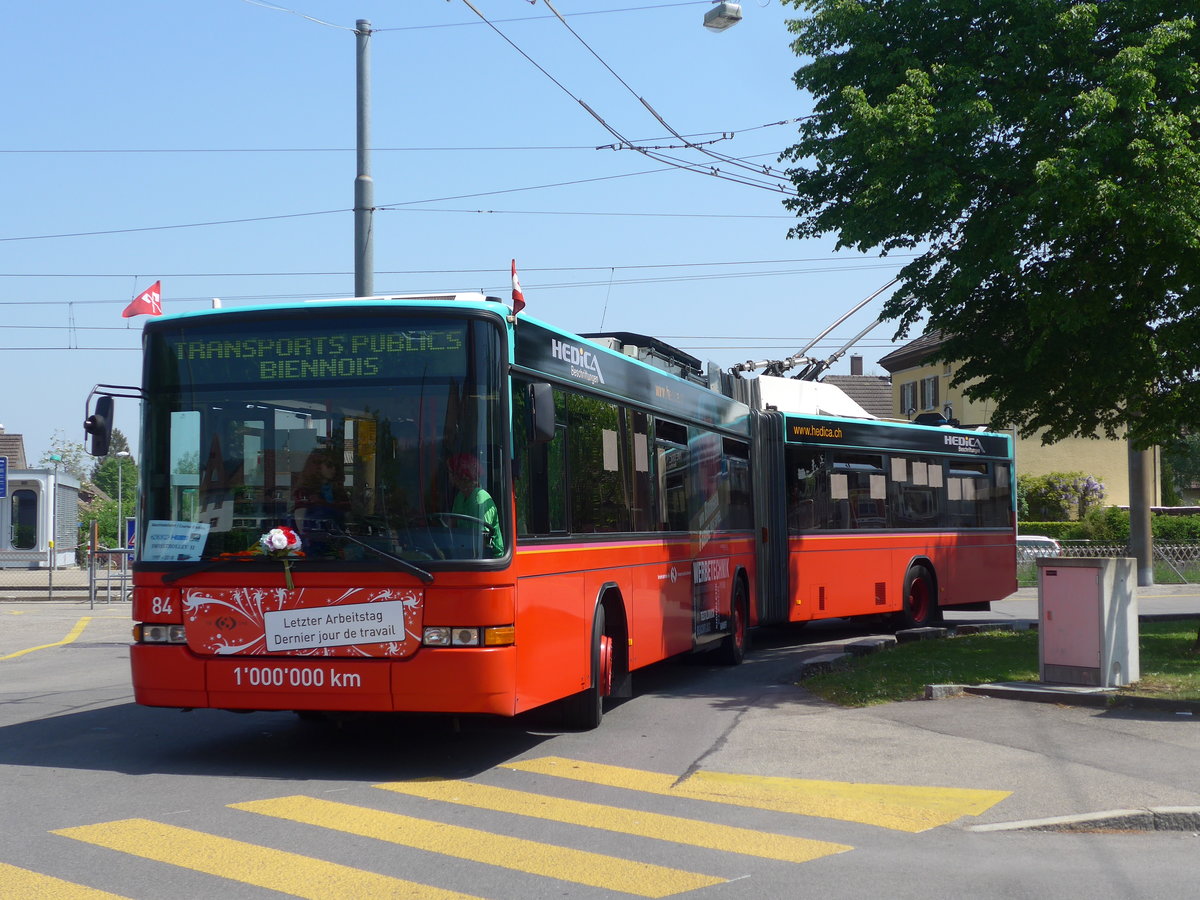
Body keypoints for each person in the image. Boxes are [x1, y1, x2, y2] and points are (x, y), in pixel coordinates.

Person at [447, 452, 504, 557]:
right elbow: (452, 527)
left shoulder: (481, 499)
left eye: (450, 472)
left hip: (488, 559)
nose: (448, 476)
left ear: (461, 474)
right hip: (464, 553)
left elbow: (481, 543)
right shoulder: (460, 497)